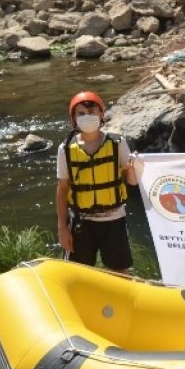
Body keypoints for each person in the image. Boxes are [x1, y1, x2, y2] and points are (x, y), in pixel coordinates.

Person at [56, 91, 138, 274]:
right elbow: (62, 189)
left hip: (114, 219)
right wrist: (62, 228)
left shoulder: (117, 143)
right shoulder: (65, 149)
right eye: (81, 113)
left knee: (119, 273)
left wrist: (134, 168)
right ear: (73, 118)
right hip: (80, 222)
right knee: (79, 273)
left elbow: (131, 181)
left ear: (101, 114)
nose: (87, 117)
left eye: (92, 112)